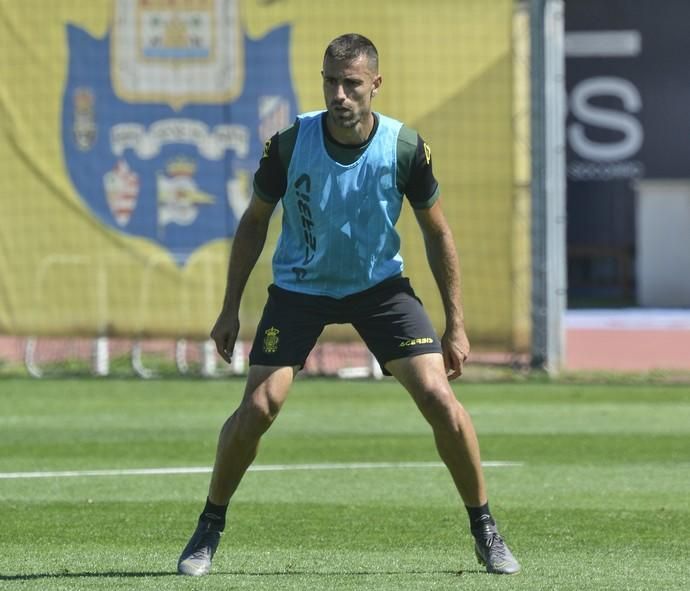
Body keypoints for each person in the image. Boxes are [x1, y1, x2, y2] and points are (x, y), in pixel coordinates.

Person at [177, 33, 520, 577]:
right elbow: (254, 223)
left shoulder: (405, 147)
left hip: (380, 290)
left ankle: (485, 528)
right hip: (299, 290)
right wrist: (228, 309)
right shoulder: (289, 144)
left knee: (438, 396)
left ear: (375, 86)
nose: (339, 94)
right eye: (330, 82)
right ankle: (208, 526)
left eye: (352, 83)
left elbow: (438, 234)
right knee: (260, 407)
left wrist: (456, 323)